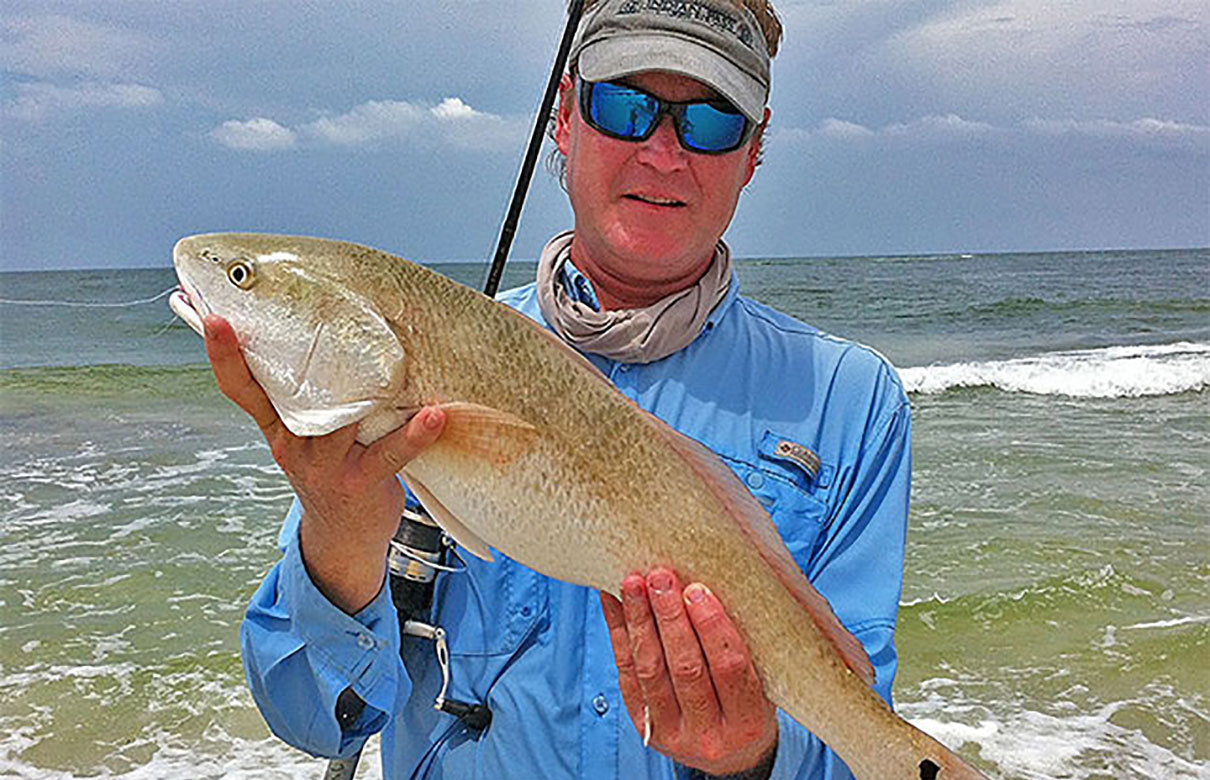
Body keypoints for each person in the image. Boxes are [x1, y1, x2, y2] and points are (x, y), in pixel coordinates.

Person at [205, 1, 911, 778]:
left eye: (711, 122)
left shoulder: (850, 400)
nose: (664, 154)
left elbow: (857, 741)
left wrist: (751, 758)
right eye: (625, 107)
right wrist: (337, 530)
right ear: (565, 120)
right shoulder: (406, 365)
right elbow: (313, 720)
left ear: (754, 152)